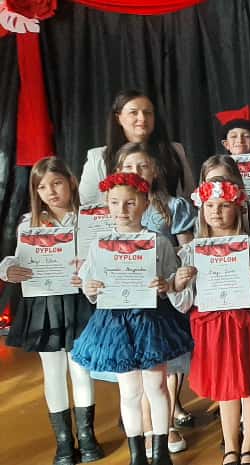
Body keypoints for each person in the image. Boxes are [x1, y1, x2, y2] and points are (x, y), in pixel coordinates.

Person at [70, 172, 192, 465]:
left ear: (144, 203)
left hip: (150, 321)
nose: (122, 210)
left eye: (130, 203)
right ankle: (137, 453)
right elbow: (88, 283)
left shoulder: (158, 242)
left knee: (157, 387)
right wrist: (90, 287)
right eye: (115, 203)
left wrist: (167, 284)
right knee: (129, 392)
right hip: (115, 324)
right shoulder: (99, 245)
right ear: (107, 204)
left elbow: (172, 279)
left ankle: (160, 451)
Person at [170, 179, 250, 465]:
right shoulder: (192, 251)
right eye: (210, 206)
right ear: (202, 210)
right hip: (212, 327)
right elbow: (184, 302)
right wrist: (179, 284)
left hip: (246, 323)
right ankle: (230, 447)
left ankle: (249, 446)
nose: (216, 212)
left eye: (223, 206)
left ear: (237, 209)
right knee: (225, 389)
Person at [0, 158, 103, 465]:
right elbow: (16, 258)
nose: (51, 192)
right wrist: (8, 269)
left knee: (81, 369)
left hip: (80, 300)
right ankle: (63, 442)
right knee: (53, 371)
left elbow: (104, 255)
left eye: (56, 183)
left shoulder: (90, 218)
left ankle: (87, 437)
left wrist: (90, 271)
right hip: (44, 304)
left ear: (71, 182)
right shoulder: (29, 223)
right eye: (42, 187)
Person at [79, 90, 195, 205]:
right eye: (133, 112)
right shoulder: (97, 157)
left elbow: (190, 197)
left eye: (147, 112)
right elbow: (87, 204)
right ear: (118, 118)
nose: (142, 118)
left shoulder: (175, 151)